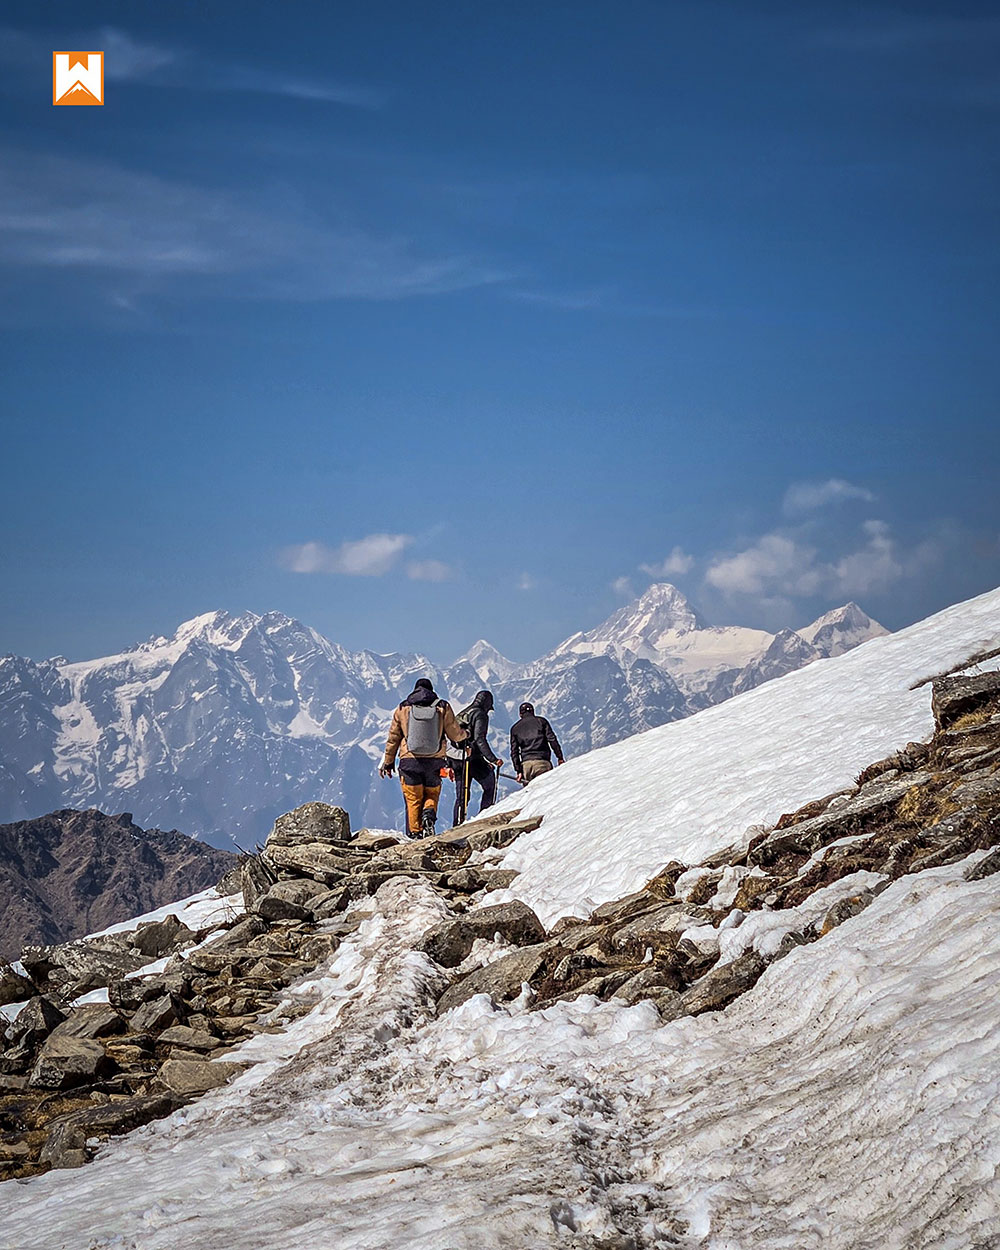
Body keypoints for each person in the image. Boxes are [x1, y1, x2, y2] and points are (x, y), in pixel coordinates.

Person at [379, 678, 467, 838]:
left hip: (409, 761)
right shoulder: (442, 706)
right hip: (435, 762)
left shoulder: (403, 707)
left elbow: (393, 737)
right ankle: (428, 816)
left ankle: (415, 834)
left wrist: (388, 761)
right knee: (431, 795)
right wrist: (465, 734)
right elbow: (454, 733)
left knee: (413, 799)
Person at [448, 690, 502, 824]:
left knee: (462, 796)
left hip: (457, 759)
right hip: (474, 759)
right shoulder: (480, 715)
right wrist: (493, 759)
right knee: (489, 785)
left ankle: (457, 825)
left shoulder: (462, 713)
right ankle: (484, 818)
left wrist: (449, 763)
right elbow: (479, 739)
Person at [509, 702, 564, 784]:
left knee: (532, 794)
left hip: (526, 766)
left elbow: (514, 752)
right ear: (533, 712)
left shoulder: (515, 728)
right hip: (542, 763)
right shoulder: (542, 722)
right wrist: (560, 757)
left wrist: (518, 771)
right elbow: (552, 740)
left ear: (520, 714)